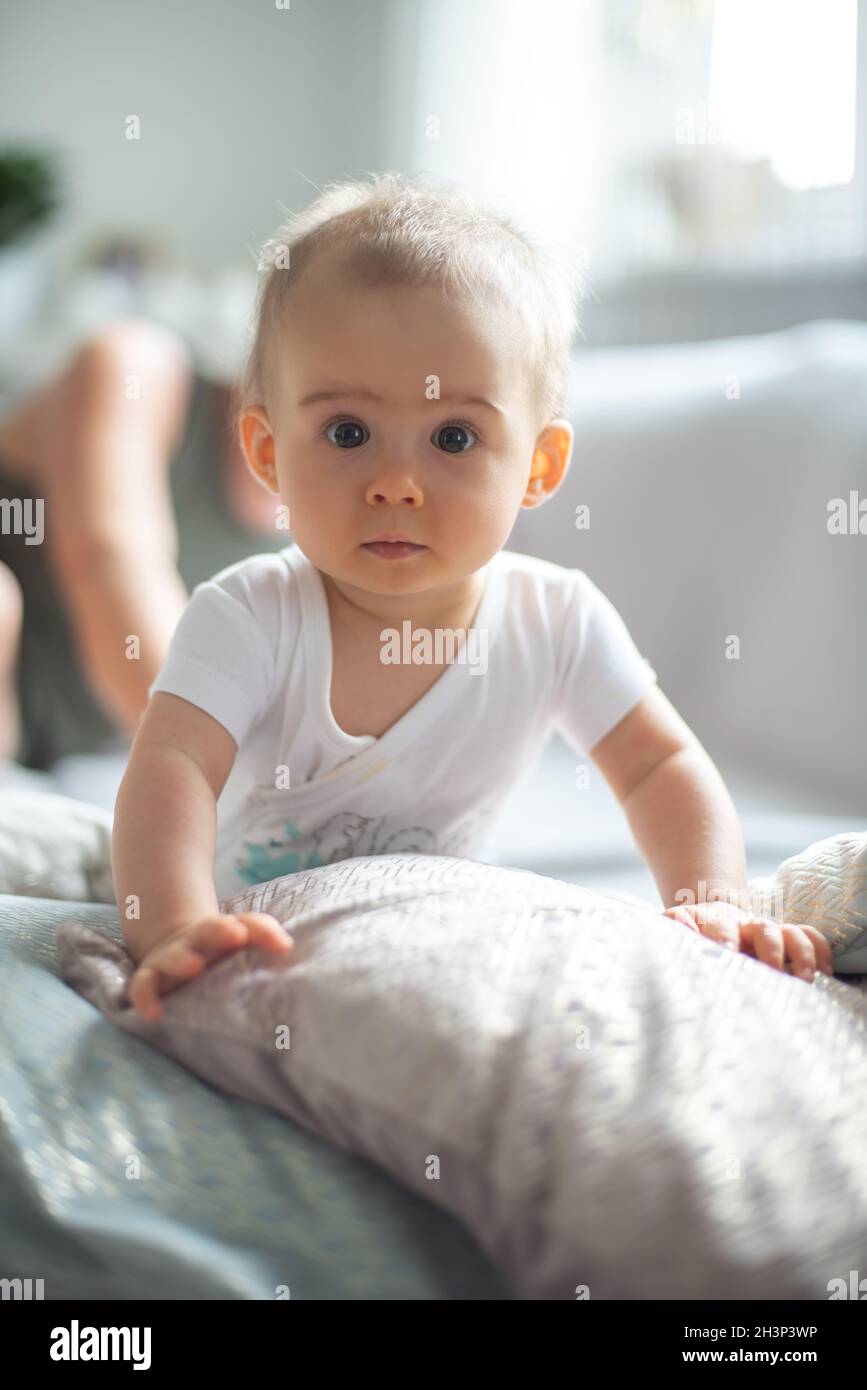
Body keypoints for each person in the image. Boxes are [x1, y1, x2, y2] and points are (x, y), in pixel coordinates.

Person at [109, 172, 833, 1021]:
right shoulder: (247, 614)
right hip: (243, 924)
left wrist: (715, 900)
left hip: (406, 936)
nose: (394, 483)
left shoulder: (556, 621)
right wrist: (172, 927)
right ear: (269, 454)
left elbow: (657, 765)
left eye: (453, 436)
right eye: (347, 432)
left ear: (538, 466)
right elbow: (170, 769)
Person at [0, 318, 288, 770]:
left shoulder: (345, 528)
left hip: (65, 746)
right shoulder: (136, 368)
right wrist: (234, 781)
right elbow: (112, 566)